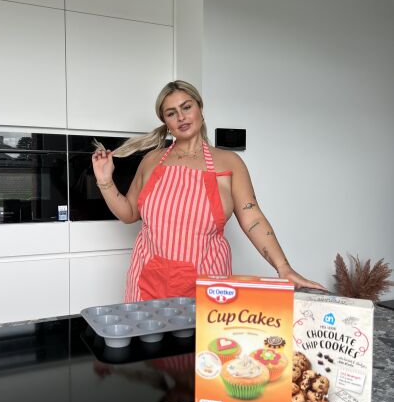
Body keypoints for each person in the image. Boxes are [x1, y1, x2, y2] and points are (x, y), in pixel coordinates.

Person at [92, 80, 326, 301]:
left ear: (200, 109)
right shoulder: (152, 161)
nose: (181, 117)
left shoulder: (229, 162)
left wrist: (283, 267)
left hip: (208, 285)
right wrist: (105, 181)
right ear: (166, 122)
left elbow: (253, 219)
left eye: (186, 107)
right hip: (148, 283)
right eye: (171, 113)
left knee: (202, 334)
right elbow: (129, 214)